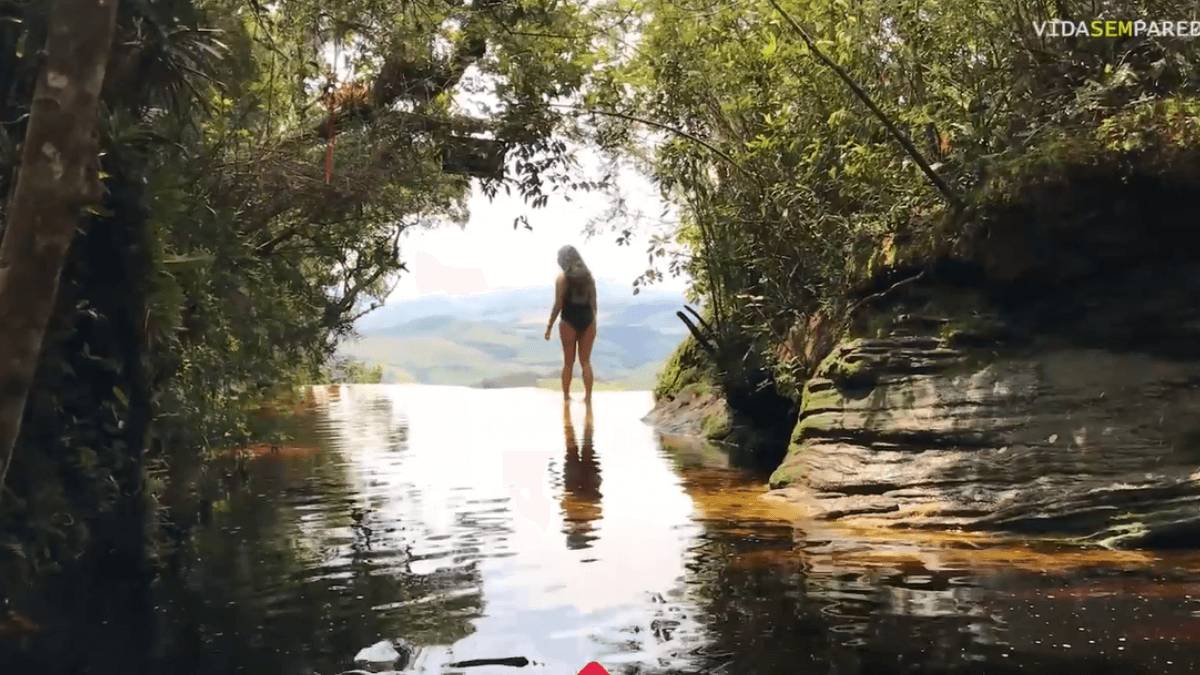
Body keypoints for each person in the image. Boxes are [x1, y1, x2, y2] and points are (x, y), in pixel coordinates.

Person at [544, 245, 597, 402]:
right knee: (586, 362)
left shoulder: (562, 279)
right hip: (588, 321)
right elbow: (594, 302)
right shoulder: (589, 278)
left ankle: (566, 397)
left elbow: (558, 304)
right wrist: (594, 322)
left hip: (568, 321)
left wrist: (549, 325)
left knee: (568, 362)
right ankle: (588, 397)